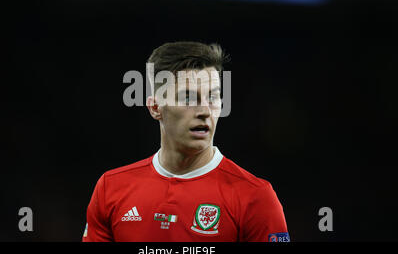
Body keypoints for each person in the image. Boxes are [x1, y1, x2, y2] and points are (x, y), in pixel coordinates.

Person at [82, 41, 289, 242]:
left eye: (213, 97)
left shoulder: (256, 197)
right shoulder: (110, 189)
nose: (205, 111)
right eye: (188, 98)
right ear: (155, 108)